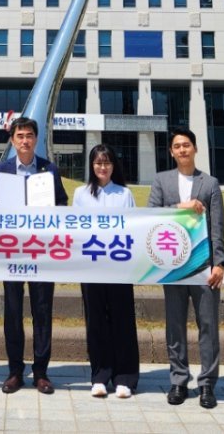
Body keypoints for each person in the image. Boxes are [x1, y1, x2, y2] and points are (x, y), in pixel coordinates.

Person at [0, 117, 69, 395]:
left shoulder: (49, 169)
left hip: (41, 251)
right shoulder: (2, 170)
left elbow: (62, 202)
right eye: (19, 136)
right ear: (12, 140)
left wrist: (48, 211)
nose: (24, 140)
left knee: (42, 311)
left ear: (36, 139)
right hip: (12, 252)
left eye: (29, 135)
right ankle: (15, 371)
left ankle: (41, 372)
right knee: (13, 312)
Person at [147, 127, 224, 410]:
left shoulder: (210, 183)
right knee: (175, 325)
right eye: (177, 146)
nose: (182, 150)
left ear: (195, 148)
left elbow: (217, 225)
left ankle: (207, 384)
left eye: (186, 145)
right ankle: (179, 380)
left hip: (204, 267)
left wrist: (220, 263)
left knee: (208, 326)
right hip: (173, 266)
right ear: (171, 152)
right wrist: (181, 206)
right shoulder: (161, 181)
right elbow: (151, 216)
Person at [72, 143, 139, 399]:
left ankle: (125, 378)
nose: (103, 167)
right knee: (96, 322)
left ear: (114, 166)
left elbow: (134, 227)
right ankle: (99, 375)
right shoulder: (80, 194)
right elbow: (74, 229)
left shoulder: (124, 193)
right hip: (91, 267)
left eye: (107, 162)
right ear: (91, 165)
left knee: (123, 321)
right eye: (98, 162)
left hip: (119, 267)